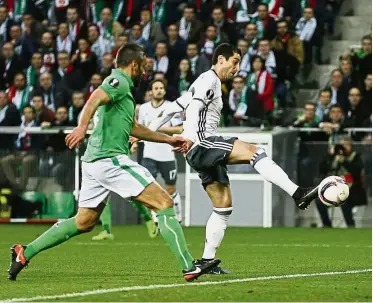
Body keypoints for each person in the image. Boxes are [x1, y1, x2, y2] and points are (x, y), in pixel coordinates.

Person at [8, 42, 219, 282]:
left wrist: (168, 139)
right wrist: (81, 126)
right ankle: (189, 266)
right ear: (134, 64)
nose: (145, 73)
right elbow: (94, 97)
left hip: (94, 162)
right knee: (163, 202)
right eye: (143, 67)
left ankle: (24, 252)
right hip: (109, 159)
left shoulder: (124, 91)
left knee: (84, 221)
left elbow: (134, 127)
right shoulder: (118, 81)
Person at [148, 43, 319, 274]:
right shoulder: (210, 80)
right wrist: (189, 137)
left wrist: (143, 134)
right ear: (220, 59)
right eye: (234, 62)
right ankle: (297, 193)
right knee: (255, 151)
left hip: (197, 149)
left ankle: (207, 261)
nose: (237, 68)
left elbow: (170, 110)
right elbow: (194, 110)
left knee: (223, 207)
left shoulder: (201, 82)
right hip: (202, 143)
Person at [137, 79, 184, 223]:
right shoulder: (143, 108)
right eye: (156, 88)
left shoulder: (171, 107)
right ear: (150, 91)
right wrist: (135, 142)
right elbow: (140, 128)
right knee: (150, 187)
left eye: (161, 88)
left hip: (167, 154)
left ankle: (177, 215)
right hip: (149, 154)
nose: (158, 90)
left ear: (164, 91)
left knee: (170, 188)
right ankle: (156, 218)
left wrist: (158, 127)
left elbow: (179, 128)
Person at [317, 136, 367, 228]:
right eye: (341, 145)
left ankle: (350, 226)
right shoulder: (333, 157)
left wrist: (345, 162)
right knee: (320, 202)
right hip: (336, 190)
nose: (344, 148)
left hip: (353, 190)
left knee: (345, 202)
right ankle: (327, 225)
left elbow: (356, 172)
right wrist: (330, 156)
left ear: (351, 146)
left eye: (346, 145)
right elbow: (322, 170)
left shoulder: (356, 157)